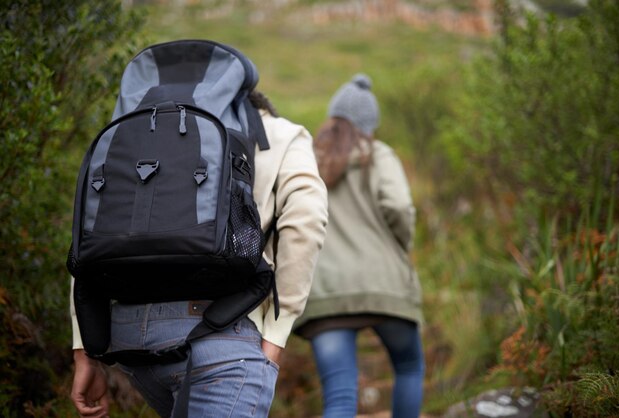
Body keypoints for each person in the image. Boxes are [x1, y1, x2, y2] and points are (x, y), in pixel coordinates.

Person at [70, 90, 328, 418]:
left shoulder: (141, 133)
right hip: (222, 333)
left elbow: (90, 234)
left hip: (129, 338)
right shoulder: (282, 134)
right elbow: (306, 217)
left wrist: (83, 348)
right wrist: (277, 334)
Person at [293, 74, 425, 418]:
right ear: (370, 123)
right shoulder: (378, 154)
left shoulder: (306, 159)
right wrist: (401, 246)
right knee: (409, 368)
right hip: (385, 284)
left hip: (325, 292)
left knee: (338, 397)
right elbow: (398, 206)